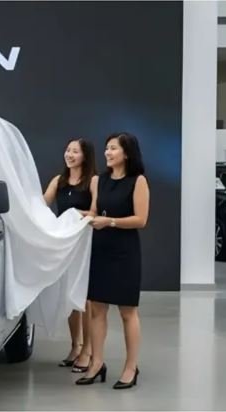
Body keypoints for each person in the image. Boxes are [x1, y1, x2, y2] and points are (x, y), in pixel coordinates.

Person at [76, 132, 149, 389]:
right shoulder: (100, 180)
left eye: (113, 148)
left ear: (126, 153)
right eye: (107, 148)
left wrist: (111, 222)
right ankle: (97, 363)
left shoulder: (137, 181)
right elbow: (95, 211)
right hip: (101, 249)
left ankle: (131, 367)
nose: (107, 152)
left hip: (125, 252)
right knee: (97, 309)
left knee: (128, 311)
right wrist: (81, 215)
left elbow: (141, 219)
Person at [43, 138, 97, 373]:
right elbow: (42, 204)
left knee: (84, 297)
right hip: (65, 246)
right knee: (69, 295)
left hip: (85, 244)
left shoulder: (93, 181)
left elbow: (94, 211)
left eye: (75, 151)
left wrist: (76, 214)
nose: (69, 155)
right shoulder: (59, 180)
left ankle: (88, 350)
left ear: (85, 156)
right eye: (67, 150)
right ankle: (75, 346)